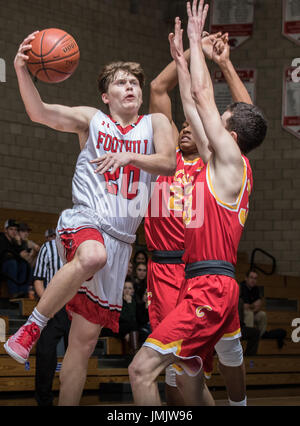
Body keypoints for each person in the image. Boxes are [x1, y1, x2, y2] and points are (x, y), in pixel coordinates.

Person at [4, 31, 175, 406]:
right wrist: (21, 70)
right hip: (87, 218)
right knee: (92, 255)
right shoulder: (92, 120)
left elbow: (168, 162)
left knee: (84, 342)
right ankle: (30, 328)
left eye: (134, 82)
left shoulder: (156, 124)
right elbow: (39, 112)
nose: (129, 87)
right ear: (105, 95)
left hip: (122, 241)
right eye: (120, 82)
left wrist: (131, 158)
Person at [129, 0, 267, 406]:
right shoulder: (218, 160)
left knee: (141, 371)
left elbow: (210, 101)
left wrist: (194, 36)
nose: (211, 121)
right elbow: (194, 103)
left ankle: (239, 403)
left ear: (232, 137)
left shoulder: (229, 162)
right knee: (189, 371)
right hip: (196, 278)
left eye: (221, 121)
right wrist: (183, 62)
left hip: (207, 282)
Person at [33, 232, 70, 406]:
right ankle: (44, 400)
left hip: (74, 307)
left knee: (75, 355)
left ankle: (70, 398)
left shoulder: (79, 249)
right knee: (46, 354)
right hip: (53, 307)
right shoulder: (47, 248)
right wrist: (47, 303)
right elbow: (38, 281)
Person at [0, 219, 31, 297]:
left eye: (15, 229)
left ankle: (23, 292)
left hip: (11, 267)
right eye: (11, 229)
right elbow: (6, 255)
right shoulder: (1, 238)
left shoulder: (15, 241)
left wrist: (19, 243)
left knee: (25, 265)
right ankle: (14, 292)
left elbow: (23, 256)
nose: (14, 231)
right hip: (3, 267)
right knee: (12, 263)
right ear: (5, 230)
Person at [240, 269, 267, 337]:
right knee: (249, 314)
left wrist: (251, 307)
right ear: (246, 278)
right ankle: (249, 337)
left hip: (251, 312)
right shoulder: (241, 287)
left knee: (262, 314)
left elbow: (258, 306)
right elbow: (244, 307)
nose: (253, 280)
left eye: (255, 278)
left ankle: (259, 337)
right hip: (240, 315)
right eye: (251, 277)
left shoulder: (255, 289)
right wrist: (253, 306)